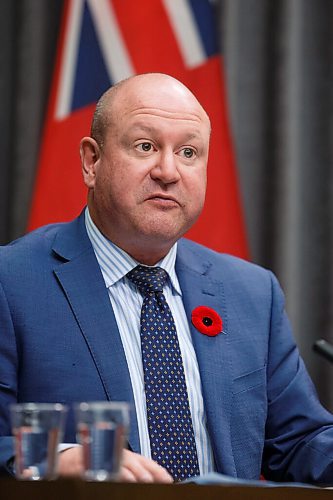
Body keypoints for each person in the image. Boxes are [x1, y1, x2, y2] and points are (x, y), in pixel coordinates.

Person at [1, 73, 333, 485]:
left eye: (189, 152)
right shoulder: (11, 282)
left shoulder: (251, 292)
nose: (168, 171)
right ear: (91, 161)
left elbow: (301, 442)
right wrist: (59, 458)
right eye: (146, 147)